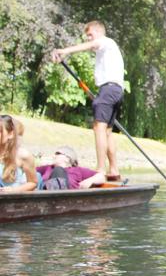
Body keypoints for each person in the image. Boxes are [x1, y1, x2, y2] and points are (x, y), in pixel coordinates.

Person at [51, 20, 125, 181]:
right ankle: (114, 170)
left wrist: (64, 51)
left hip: (109, 90)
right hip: (116, 90)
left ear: (99, 32)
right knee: (107, 132)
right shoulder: (109, 51)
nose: (89, 38)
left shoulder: (105, 41)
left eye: (90, 35)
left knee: (99, 127)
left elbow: (90, 45)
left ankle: (100, 170)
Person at [36, 146, 106, 190]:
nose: (53, 156)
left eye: (57, 153)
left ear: (68, 158)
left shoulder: (78, 170)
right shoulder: (47, 168)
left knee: (58, 170)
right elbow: (29, 170)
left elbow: (101, 176)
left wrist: (90, 180)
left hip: (66, 198)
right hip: (45, 194)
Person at [0, 115, 37, 192]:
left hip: (10, 201)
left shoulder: (23, 155)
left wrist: (13, 190)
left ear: (11, 134)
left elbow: (32, 183)